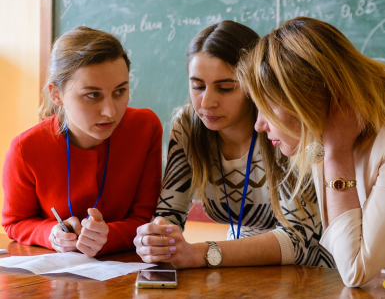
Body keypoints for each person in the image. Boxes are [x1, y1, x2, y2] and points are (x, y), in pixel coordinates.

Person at [134, 21, 334, 269]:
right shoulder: (187, 125)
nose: (206, 102)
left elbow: (300, 240)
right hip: (236, 266)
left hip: (312, 272)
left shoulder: (282, 126)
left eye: (226, 88)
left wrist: (201, 253)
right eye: (197, 86)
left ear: (254, 84)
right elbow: (169, 213)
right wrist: (157, 237)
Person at [237, 16, 385, 287]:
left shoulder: (336, 146)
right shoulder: (320, 141)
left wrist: (337, 154)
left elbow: (355, 271)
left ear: (304, 97)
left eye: (266, 106)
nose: (258, 124)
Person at [2, 26, 162, 257]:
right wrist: (51, 234)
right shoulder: (25, 148)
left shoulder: (145, 128)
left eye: (120, 91)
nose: (110, 111)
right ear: (56, 94)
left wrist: (110, 235)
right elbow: (15, 222)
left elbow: (146, 218)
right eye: (93, 95)